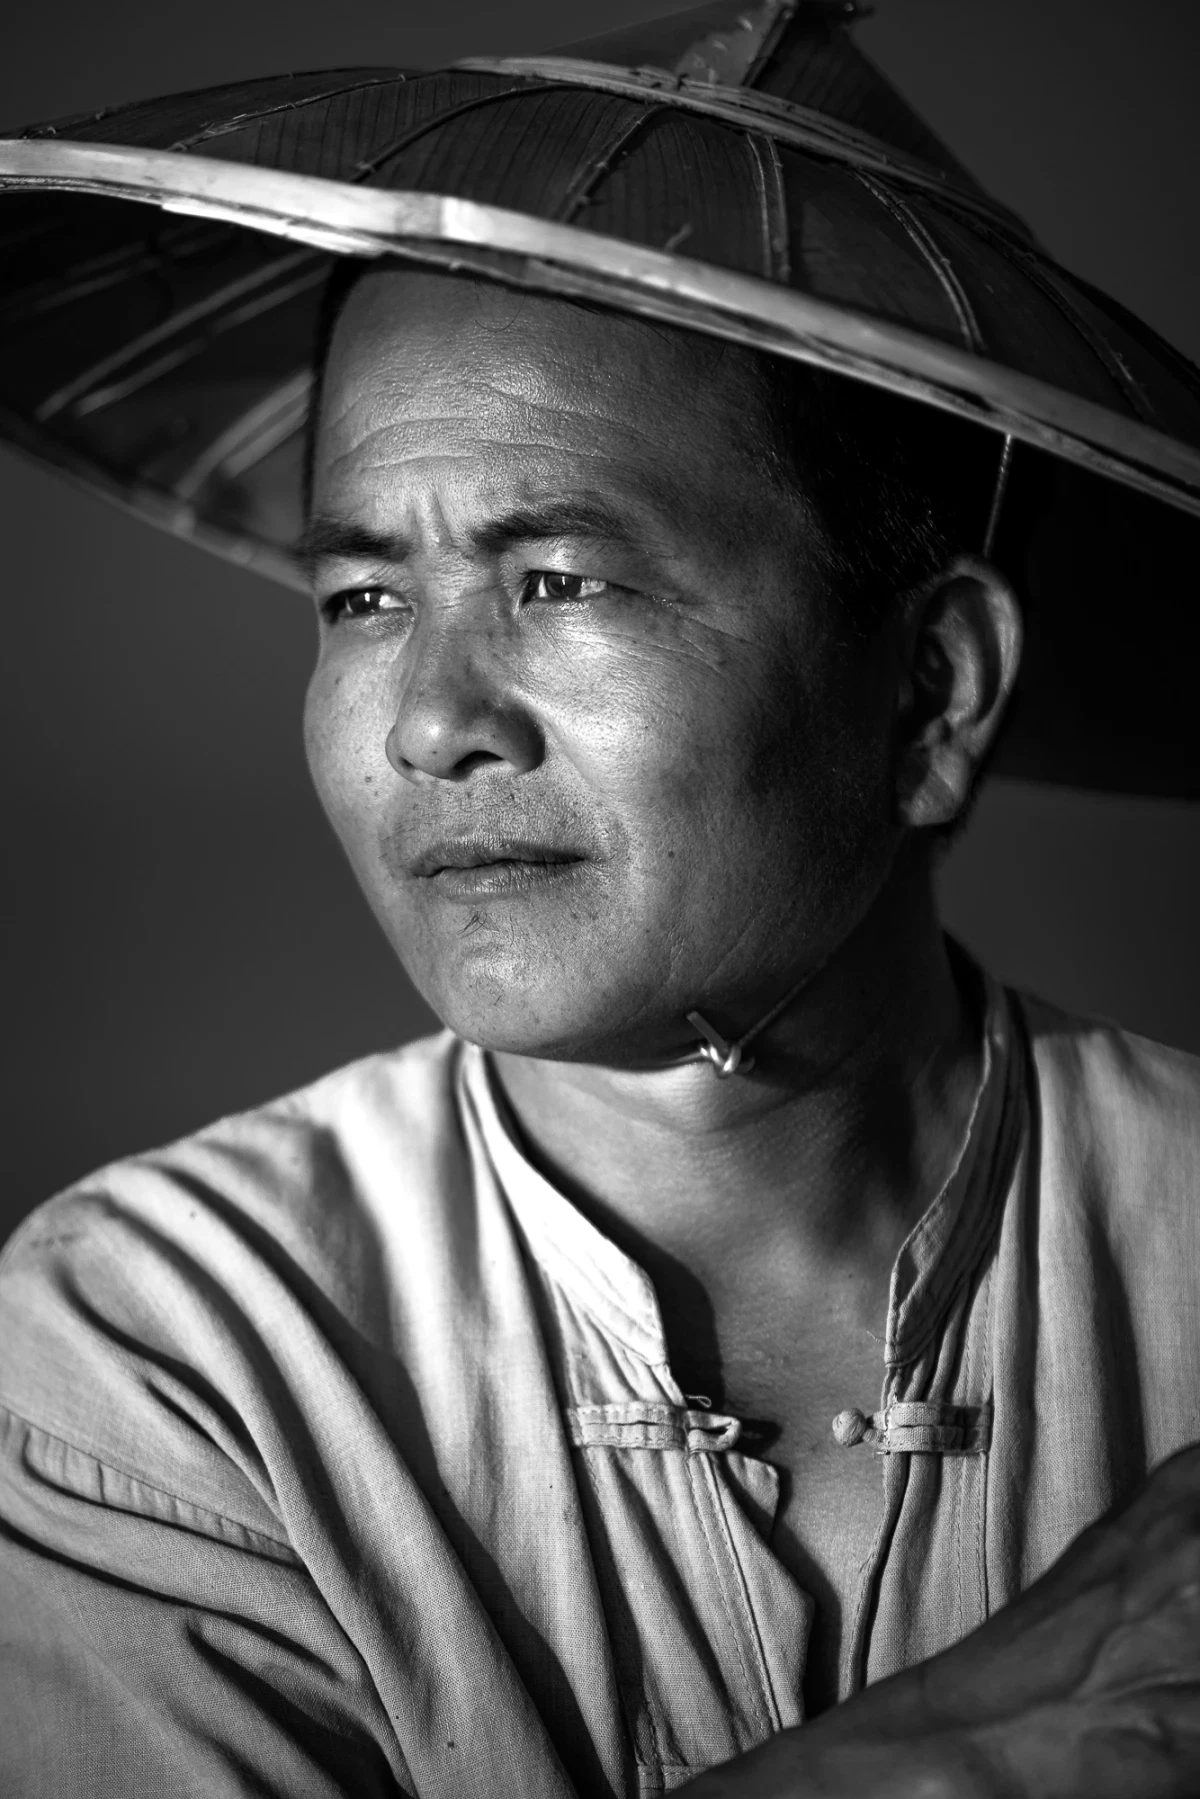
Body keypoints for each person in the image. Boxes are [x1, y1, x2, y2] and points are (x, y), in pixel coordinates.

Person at [1, 5, 1199, 1795]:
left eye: (559, 579)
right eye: (364, 600)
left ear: (930, 691)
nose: (430, 723)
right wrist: (991, 1738)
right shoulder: (161, 1346)